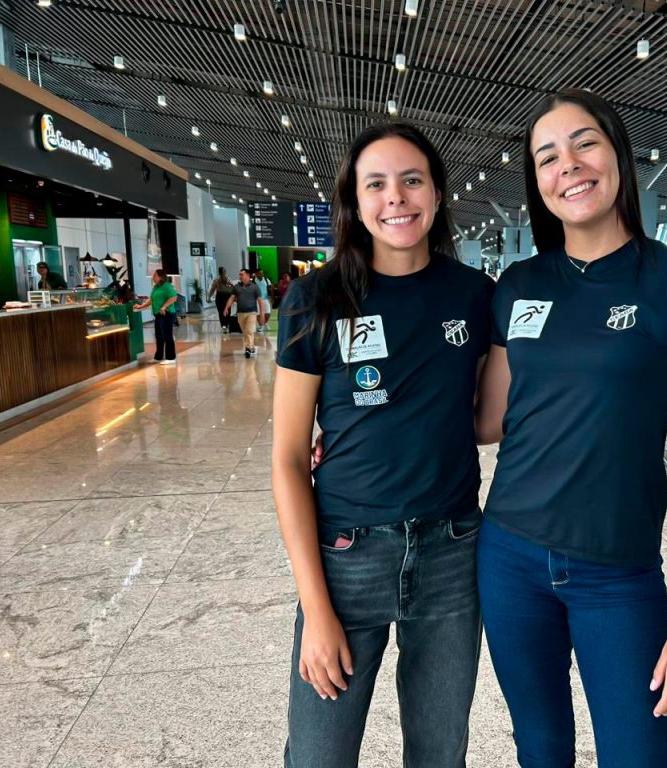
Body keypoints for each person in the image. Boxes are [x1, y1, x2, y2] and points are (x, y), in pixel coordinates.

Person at [474, 89, 667, 767]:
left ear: (618, 154)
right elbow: (487, 420)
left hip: (618, 571)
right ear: (537, 181)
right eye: (547, 157)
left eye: (584, 143)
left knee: (638, 754)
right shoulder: (517, 285)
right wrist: (353, 423)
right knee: (540, 748)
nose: (568, 165)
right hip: (509, 557)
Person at [273, 123, 493, 768]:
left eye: (412, 180)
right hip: (347, 557)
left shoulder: (474, 295)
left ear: (437, 193)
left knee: (439, 753)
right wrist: (316, 608)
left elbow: (483, 418)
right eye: (376, 183)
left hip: (452, 551)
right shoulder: (316, 298)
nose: (395, 196)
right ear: (354, 200)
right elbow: (287, 458)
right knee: (318, 755)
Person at [133, 269, 178, 364]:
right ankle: (158, 357)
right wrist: (140, 306)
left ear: (161, 277)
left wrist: (164, 306)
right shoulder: (156, 287)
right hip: (158, 315)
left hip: (166, 314)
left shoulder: (167, 286)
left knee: (167, 335)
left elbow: (174, 297)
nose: (153, 277)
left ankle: (171, 358)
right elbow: (151, 299)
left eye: (155, 276)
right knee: (159, 336)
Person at [225, 269, 263, 357]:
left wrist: (262, 313)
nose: (240, 276)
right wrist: (226, 307)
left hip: (252, 312)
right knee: (245, 331)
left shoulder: (255, 287)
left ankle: (248, 349)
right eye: (239, 275)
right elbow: (232, 298)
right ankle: (251, 347)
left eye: (241, 274)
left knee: (249, 330)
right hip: (240, 313)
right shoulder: (236, 287)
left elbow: (260, 301)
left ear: (248, 275)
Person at [208, 266, 235, 334]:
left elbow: (233, 287)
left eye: (224, 271)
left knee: (228, 311)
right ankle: (224, 325)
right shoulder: (217, 280)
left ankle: (226, 324)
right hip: (220, 297)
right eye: (223, 272)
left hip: (227, 297)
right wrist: (209, 297)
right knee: (221, 312)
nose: (224, 273)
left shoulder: (228, 279)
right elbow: (213, 289)